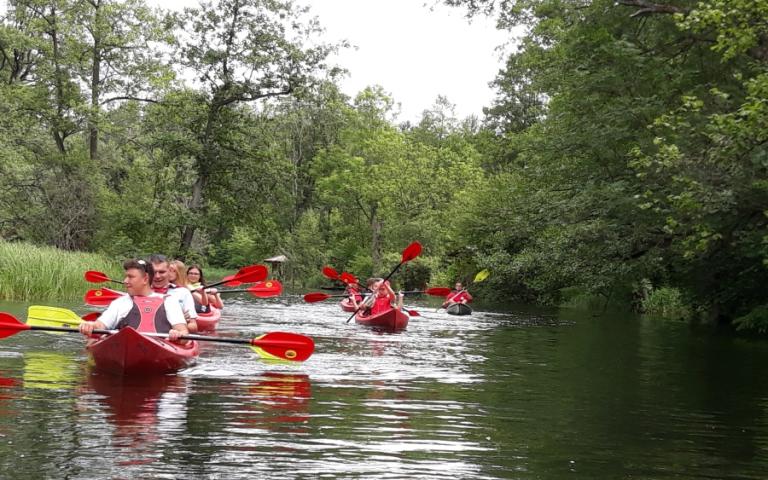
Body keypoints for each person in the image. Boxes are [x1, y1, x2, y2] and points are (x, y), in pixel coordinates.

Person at [78, 259, 189, 342]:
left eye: (130, 277)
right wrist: (91, 326)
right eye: (126, 276)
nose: (125, 281)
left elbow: (184, 334)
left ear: (145, 279)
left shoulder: (169, 302)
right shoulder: (120, 302)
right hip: (122, 347)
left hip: (160, 347)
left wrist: (177, 334)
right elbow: (100, 325)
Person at [150, 254, 199, 333]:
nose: (157, 276)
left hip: (170, 338)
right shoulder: (141, 291)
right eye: (154, 272)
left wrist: (181, 321)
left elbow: (194, 327)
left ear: (169, 271)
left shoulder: (183, 292)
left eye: (162, 272)